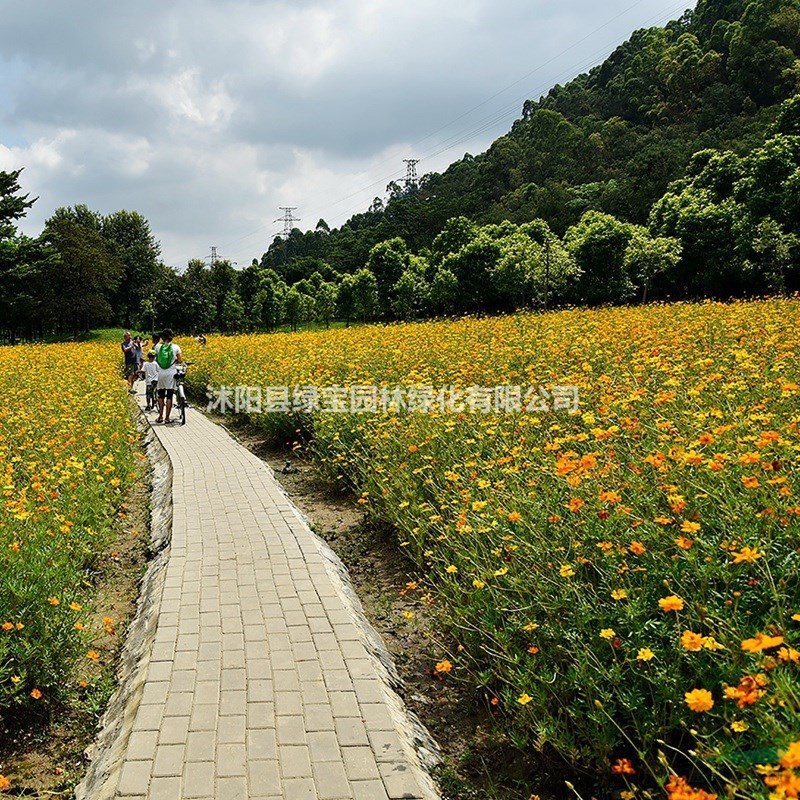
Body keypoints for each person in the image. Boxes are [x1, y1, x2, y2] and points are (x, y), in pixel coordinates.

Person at [154, 328, 183, 424]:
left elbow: (156, 358)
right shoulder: (176, 347)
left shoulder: (158, 347)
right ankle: (167, 418)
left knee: (161, 395)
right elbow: (179, 360)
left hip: (161, 373)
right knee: (169, 396)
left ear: (162, 337)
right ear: (171, 337)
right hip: (171, 373)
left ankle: (160, 416)